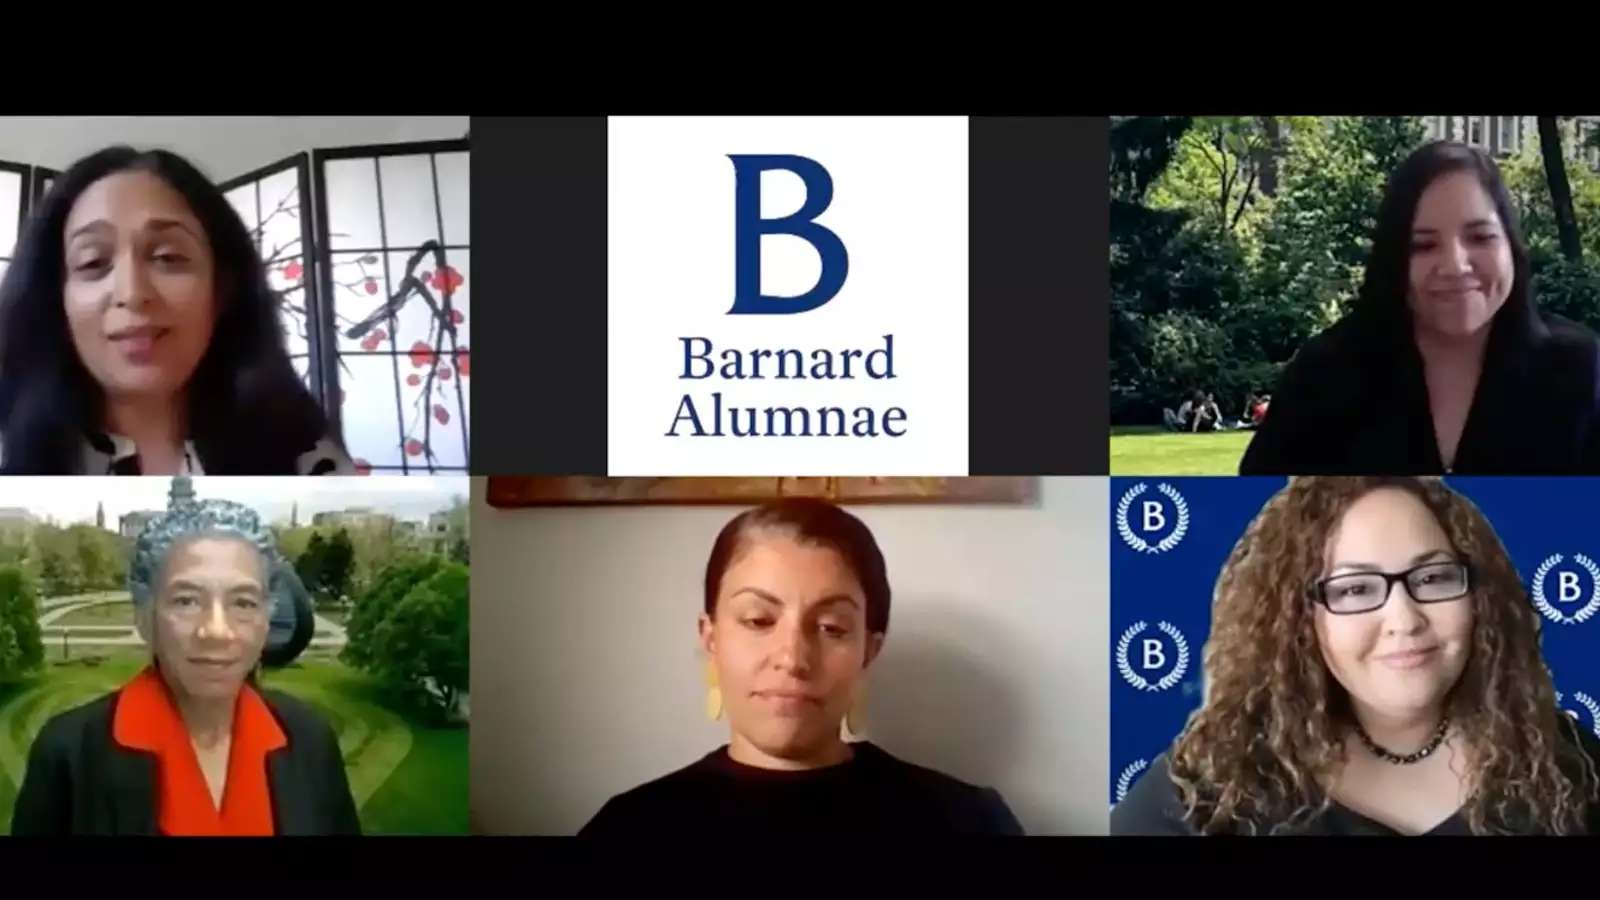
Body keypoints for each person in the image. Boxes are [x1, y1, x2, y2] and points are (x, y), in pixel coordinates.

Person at [1112, 477, 1600, 835]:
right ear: (1298, 619)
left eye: (1432, 579)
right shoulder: (1206, 793)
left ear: (1479, 600)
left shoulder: (1571, 766)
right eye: (1355, 589)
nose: (1405, 619)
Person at [580, 498, 1025, 836]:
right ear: (711, 637)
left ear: (869, 651)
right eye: (758, 620)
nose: (793, 659)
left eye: (832, 627)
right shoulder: (628, 829)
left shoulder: (968, 822)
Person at [1240, 141, 1600, 475]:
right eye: (1423, 245)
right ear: (1392, 259)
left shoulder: (1584, 371)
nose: (1456, 265)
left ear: (1512, 247)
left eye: (1480, 237)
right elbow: (1249, 522)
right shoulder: (1322, 375)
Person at [11, 498, 359, 835]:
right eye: (187, 600)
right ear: (145, 617)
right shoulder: (69, 752)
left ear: (267, 621)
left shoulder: (311, 739)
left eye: (244, 602)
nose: (216, 631)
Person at [0, 146, 353, 474]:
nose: (132, 293)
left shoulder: (302, 453)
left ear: (223, 288)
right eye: (93, 262)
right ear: (55, 296)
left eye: (168, 257)